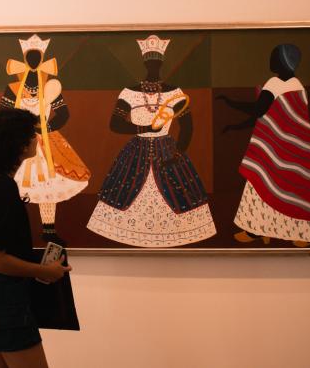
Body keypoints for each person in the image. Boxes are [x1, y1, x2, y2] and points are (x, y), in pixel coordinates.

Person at [86, 35, 216, 247]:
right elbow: (115, 124)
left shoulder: (175, 93)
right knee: (128, 188)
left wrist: (177, 154)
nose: (153, 66)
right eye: (150, 62)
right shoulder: (129, 93)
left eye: (157, 62)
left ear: (162, 63)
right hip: (136, 150)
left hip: (168, 149)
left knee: (175, 190)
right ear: (145, 63)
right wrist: (144, 129)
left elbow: (188, 127)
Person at [216, 43, 310, 247]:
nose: (270, 60)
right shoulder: (299, 85)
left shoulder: (274, 83)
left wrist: (230, 104)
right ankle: (282, 232)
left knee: (263, 182)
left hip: (278, 147)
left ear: (281, 61)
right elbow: (275, 116)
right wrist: (236, 124)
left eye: (274, 57)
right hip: (297, 144)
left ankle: (266, 231)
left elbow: (258, 111)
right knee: (292, 190)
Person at [0, 108, 71, 368]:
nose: (37, 138)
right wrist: (45, 271)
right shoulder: (3, 188)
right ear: (19, 144)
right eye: (32, 133)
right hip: (6, 308)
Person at [0, 34, 90, 246]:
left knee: (48, 186)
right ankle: (15, 228)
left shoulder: (50, 87)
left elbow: (64, 114)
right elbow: (2, 114)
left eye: (36, 56)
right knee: (15, 186)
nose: (33, 60)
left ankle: (48, 230)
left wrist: (47, 126)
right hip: (20, 143)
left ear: (41, 58)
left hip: (46, 143)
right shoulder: (13, 88)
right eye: (30, 56)